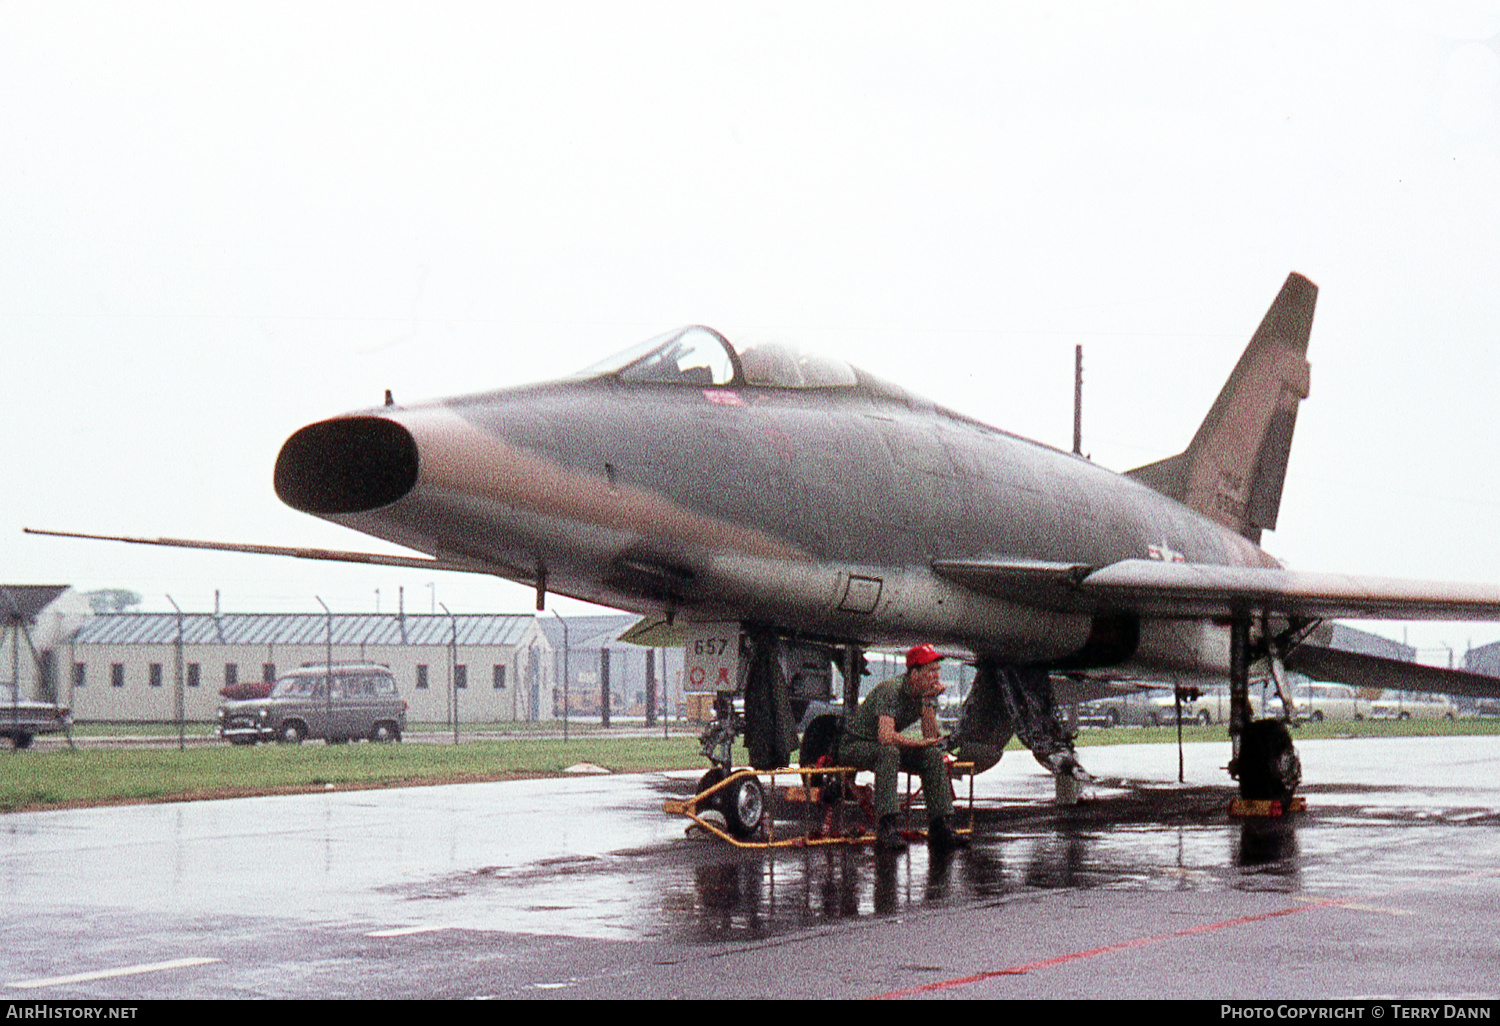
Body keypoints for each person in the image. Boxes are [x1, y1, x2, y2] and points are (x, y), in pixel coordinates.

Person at [840, 643, 969, 852]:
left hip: (880, 746)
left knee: (932, 755)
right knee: (889, 751)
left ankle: (939, 826)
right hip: (854, 746)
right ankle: (886, 827)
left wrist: (928, 701)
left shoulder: (922, 694)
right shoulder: (891, 690)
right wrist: (919, 743)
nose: (936, 677)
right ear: (915, 674)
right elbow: (886, 736)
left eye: (938, 671)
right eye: (931, 672)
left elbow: (930, 736)